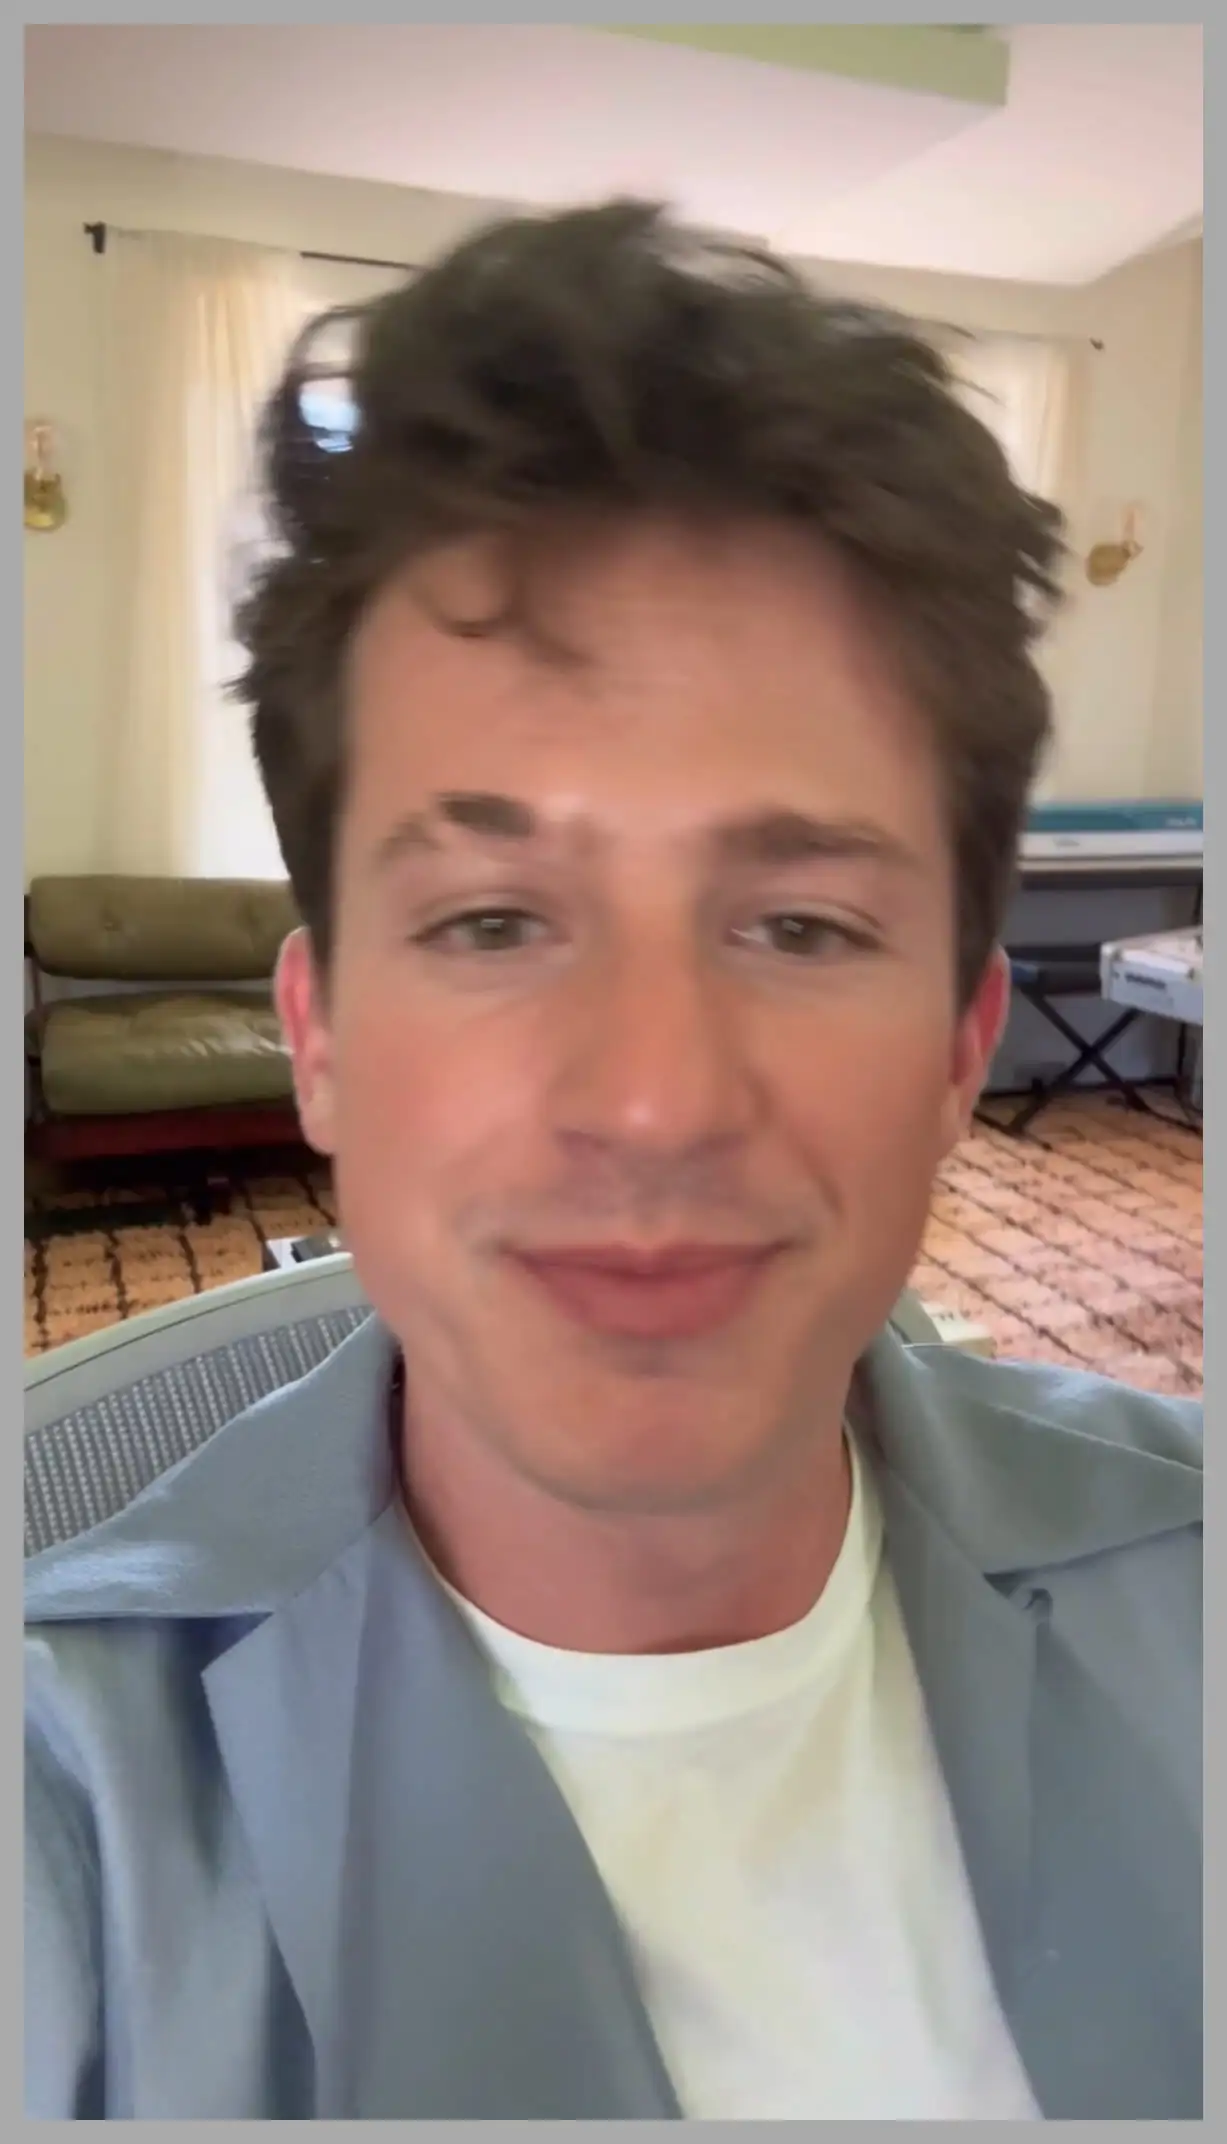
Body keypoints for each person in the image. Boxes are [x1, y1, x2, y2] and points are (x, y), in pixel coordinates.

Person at [25, 201, 1201, 2121]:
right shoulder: (58, 1812)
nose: (653, 1100)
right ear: (320, 1041)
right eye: (493, 921)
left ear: (955, 1051)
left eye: (799, 926)